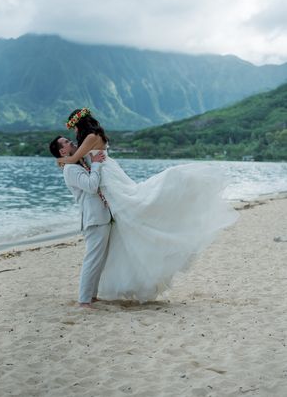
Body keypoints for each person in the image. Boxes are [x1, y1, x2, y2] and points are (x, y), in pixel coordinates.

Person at [57, 108, 239, 302]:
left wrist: (60, 161)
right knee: (129, 217)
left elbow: (74, 159)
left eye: (74, 128)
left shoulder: (91, 137)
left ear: (79, 125)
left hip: (108, 178)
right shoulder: (95, 135)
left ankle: (90, 295)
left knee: (135, 208)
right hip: (109, 174)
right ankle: (98, 290)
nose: (73, 134)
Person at [49, 135, 112, 309]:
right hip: (93, 218)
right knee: (92, 260)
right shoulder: (70, 169)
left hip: (102, 216)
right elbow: (91, 186)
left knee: (99, 260)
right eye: (67, 143)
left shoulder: (79, 162)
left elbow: (97, 146)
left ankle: (92, 296)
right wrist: (96, 164)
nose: (72, 142)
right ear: (63, 151)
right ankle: (84, 300)